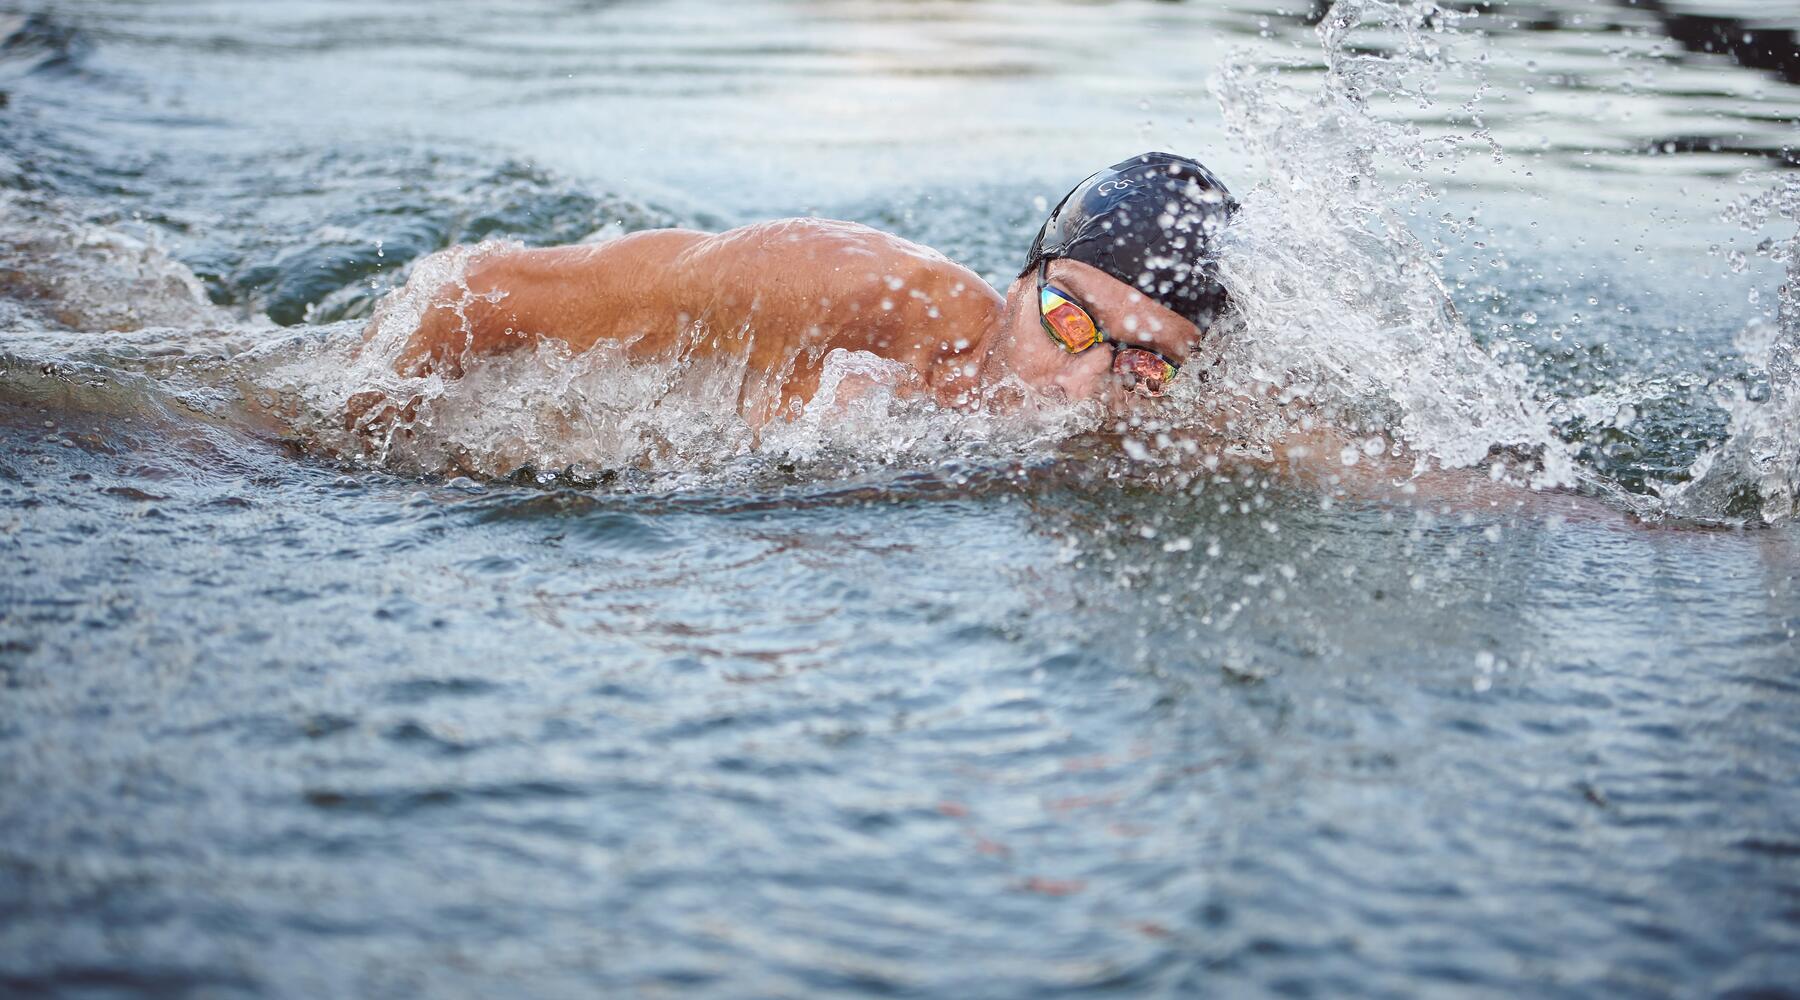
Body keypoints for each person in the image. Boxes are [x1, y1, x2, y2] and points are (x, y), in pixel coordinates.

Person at [362, 151, 1237, 429]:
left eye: (1144, 365)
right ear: (1022, 281)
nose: (1078, 386)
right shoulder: (853, 294)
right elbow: (479, 289)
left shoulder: (1143, 433)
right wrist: (332, 443)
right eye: (1068, 322)